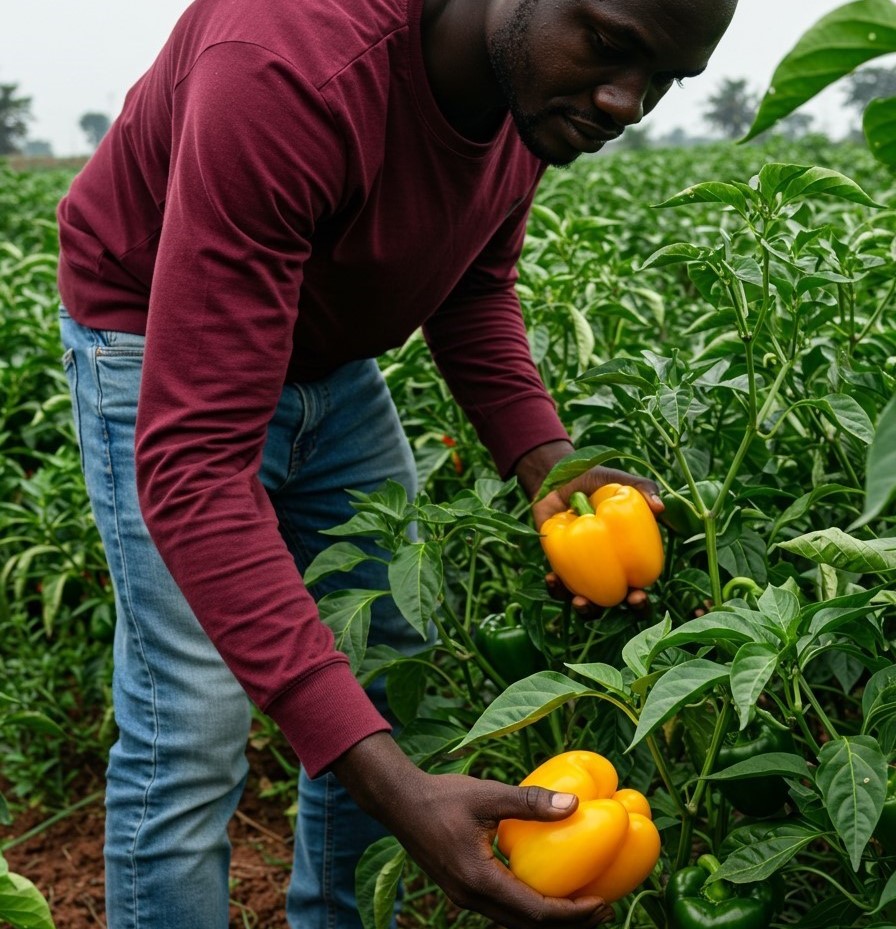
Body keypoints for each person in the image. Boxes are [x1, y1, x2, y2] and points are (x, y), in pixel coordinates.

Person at [56, 0, 737, 925]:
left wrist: (550, 465)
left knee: (388, 657)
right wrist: (390, 784)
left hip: (329, 356)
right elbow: (198, 463)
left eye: (664, 78)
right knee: (193, 721)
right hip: (154, 345)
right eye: (612, 45)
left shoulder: (527, 83)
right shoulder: (285, 66)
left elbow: (473, 289)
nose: (628, 101)